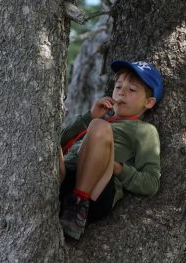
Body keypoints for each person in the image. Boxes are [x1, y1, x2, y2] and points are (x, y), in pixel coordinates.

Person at [58, 60, 164, 240]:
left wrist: (118, 168)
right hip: (65, 178)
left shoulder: (144, 130)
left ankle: (78, 206)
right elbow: (56, 142)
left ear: (149, 102)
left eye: (132, 89)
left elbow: (151, 183)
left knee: (99, 127)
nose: (121, 92)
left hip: (95, 192)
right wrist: (90, 116)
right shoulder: (99, 120)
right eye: (118, 86)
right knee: (44, 134)